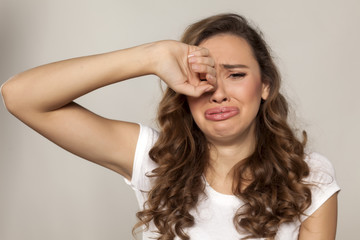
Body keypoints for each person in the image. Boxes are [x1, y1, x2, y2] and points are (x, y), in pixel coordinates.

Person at [1, 13, 340, 240]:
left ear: (265, 86)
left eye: (236, 75)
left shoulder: (309, 176)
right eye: (203, 78)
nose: (218, 93)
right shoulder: (154, 160)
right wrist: (151, 56)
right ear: (183, 87)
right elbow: (19, 96)